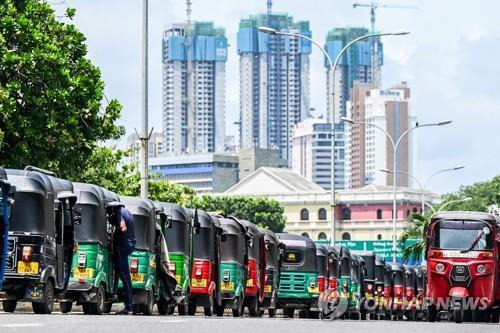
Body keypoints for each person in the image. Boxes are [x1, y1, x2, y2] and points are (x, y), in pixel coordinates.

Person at [109, 203, 136, 315]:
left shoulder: (119, 212)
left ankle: (128, 307)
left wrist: (115, 236)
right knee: (124, 276)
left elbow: (123, 228)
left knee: (125, 278)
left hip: (122, 246)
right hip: (129, 245)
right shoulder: (127, 211)